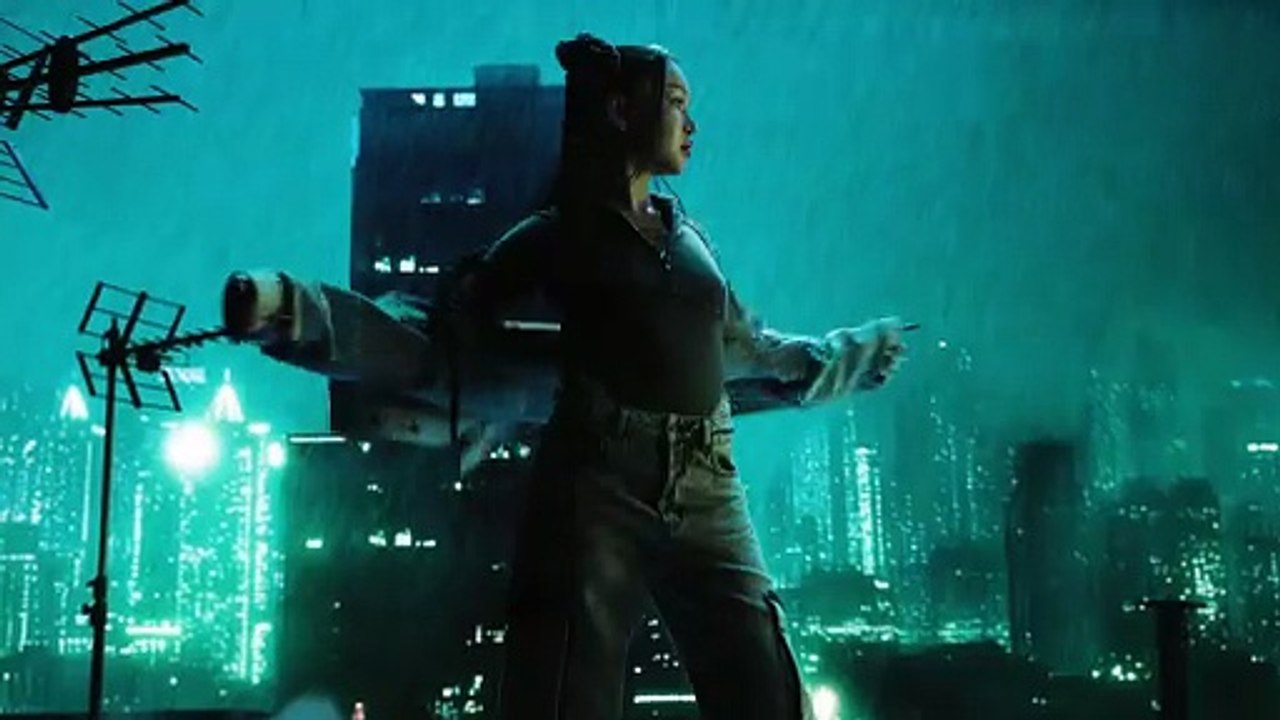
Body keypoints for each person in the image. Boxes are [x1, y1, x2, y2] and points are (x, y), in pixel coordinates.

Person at [456, 33, 909, 720]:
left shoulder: (690, 239)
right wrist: (496, 402)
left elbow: (750, 346)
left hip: (707, 478)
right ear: (620, 111)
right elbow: (466, 311)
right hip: (599, 475)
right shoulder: (561, 234)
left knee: (764, 682)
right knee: (568, 687)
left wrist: (848, 355)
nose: (690, 124)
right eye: (673, 102)